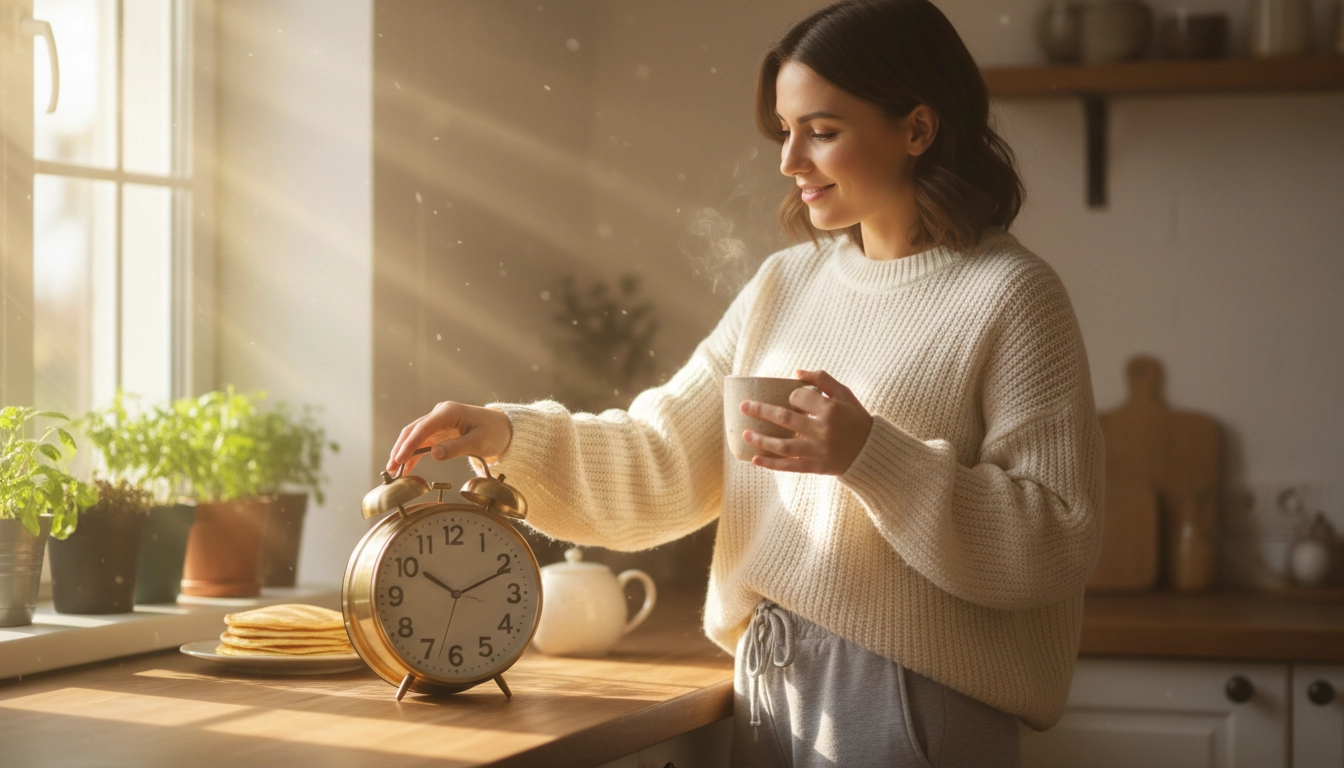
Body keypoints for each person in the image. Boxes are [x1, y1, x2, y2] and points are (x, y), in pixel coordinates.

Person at [387, 0, 1104, 765]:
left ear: (917, 130)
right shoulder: (784, 285)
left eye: (821, 132)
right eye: (785, 132)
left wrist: (872, 456)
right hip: (767, 682)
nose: (790, 162)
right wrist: (507, 433)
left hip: (910, 696)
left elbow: (1057, 537)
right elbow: (663, 458)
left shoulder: (1011, 295)